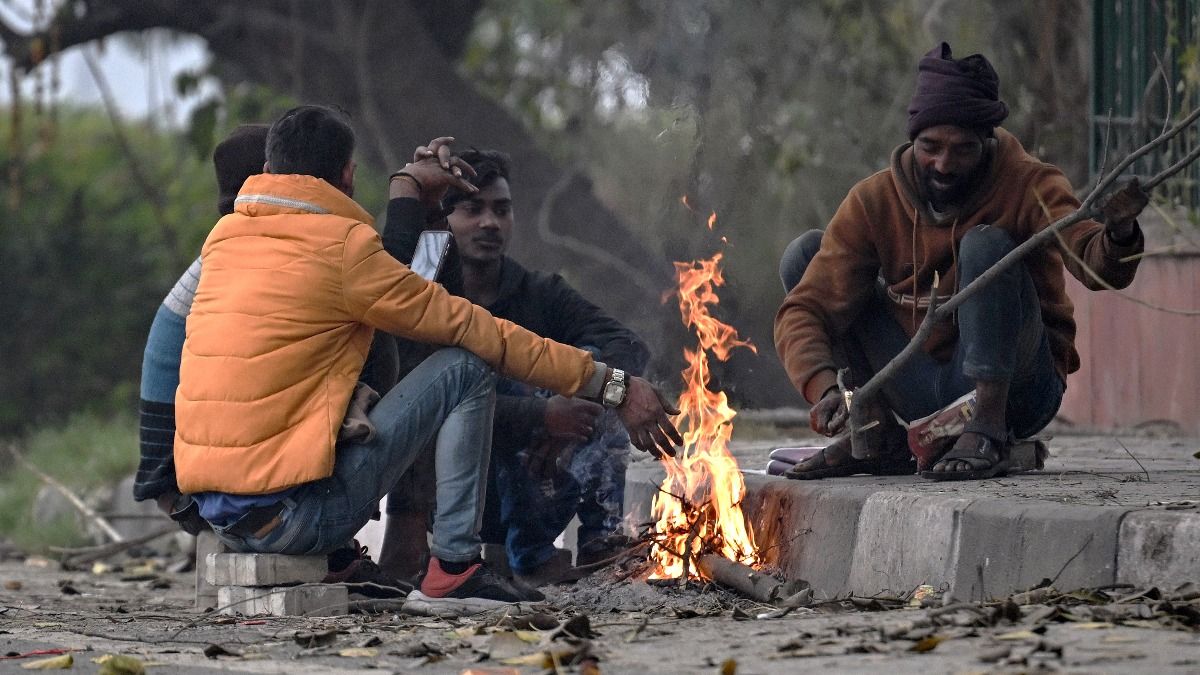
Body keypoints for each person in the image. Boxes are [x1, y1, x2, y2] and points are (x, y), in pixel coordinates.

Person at [174, 105, 683, 616]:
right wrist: (613, 386)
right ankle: (456, 568)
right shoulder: (345, 252)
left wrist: (427, 206)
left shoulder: (225, 240)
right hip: (294, 520)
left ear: (268, 171)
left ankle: (364, 558)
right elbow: (468, 329)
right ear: (348, 175)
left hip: (220, 517)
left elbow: (405, 290)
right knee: (468, 366)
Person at [774, 43, 1149, 482]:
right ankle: (875, 439)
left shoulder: (1030, 183)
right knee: (805, 255)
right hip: (920, 386)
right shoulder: (874, 201)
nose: (943, 164)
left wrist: (1118, 234)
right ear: (912, 139)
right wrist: (825, 388)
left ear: (986, 143)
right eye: (930, 147)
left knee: (986, 245)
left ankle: (987, 430)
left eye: (962, 150)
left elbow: (1093, 264)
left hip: (1020, 391)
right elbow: (805, 311)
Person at [436, 149, 649, 585]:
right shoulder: (426, 294)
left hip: (541, 485)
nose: (489, 223)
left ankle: (600, 545)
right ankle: (527, 558)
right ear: (445, 220)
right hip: (453, 491)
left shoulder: (538, 292)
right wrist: (541, 414)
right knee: (512, 384)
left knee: (605, 380)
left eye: (501, 210)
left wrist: (576, 395)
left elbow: (628, 343)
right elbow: (433, 405)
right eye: (473, 209)